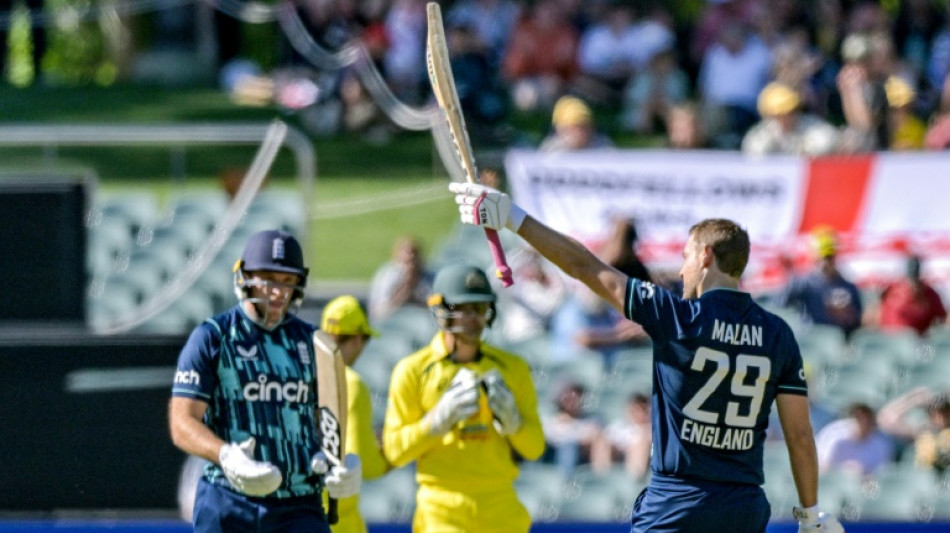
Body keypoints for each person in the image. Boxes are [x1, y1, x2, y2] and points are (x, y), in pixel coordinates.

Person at [448, 182, 844, 532]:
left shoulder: (678, 315)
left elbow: (587, 268)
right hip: (744, 507)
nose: (683, 268)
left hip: (678, 502)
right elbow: (799, 436)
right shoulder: (779, 334)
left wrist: (514, 218)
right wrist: (810, 515)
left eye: (687, 256)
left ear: (706, 256)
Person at [168, 229, 361, 533]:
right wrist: (227, 456)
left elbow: (325, 424)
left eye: (287, 281)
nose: (278, 292)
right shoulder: (212, 338)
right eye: (268, 279)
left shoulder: (315, 344)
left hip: (299, 504)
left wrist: (340, 466)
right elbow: (181, 424)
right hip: (228, 500)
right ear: (244, 276)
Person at [382, 263, 545, 533]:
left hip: (501, 505)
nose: (473, 318)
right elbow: (395, 452)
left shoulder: (512, 367)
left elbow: (535, 447)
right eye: (463, 308)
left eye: (479, 309)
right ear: (441, 309)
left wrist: (514, 423)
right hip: (441, 510)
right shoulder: (412, 370)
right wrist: (434, 423)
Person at [320, 295, 393, 533]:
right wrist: (393, 447)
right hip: (339, 518)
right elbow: (366, 465)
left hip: (298, 515)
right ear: (356, 339)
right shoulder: (351, 383)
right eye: (364, 339)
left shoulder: (298, 375)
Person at [773, 227, 863, 338]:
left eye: (830, 257)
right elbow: (780, 302)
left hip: (837, 340)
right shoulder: (803, 284)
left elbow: (856, 321)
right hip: (811, 338)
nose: (826, 263)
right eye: (823, 258)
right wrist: (790, 275)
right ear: (814, 258)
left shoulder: (848, 287)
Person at [741, 82, 840, 157]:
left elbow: (827, 142)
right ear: (768, 116)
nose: (787, 117)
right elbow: (754, 155)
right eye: (779, 114)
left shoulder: (811, 126)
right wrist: (775, 140)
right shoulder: (759, 135)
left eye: (791, 111)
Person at [864, 254, 947, 336]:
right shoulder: (891, 289)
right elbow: (871, 317)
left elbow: (942, 318)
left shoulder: (929, 293)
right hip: (889, 341)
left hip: (918, 343)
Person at [541, 381, 608, 479]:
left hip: (581, 457)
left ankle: (597, 479)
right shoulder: (551, 420)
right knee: (567, 448)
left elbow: (595, 435)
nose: (571, 400)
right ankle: (563, 481)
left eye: (575, 396)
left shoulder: (590, 420)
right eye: (567, 396)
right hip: (552, 455)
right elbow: (549, 437)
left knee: (570, 447)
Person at [877, 387, 950, 474]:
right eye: (933, 412)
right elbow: (885, 419)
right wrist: (916, 399)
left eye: (944, 412)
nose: (938, 416)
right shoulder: (924, 433)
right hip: (923, 477)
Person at [815, 403, 894, 478]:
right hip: (832, 482)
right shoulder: (834, 434)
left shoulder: (881, 446)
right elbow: (820, 468)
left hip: (862, 486)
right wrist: (844, 470)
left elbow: (879, 480)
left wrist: (860, 475)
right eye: (858, 416)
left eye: (867, 417)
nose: (862, 421)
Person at [368, 236, 433, 323]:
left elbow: (433, 309)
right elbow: (380, 313)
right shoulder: (387, 276)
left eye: (414, 254)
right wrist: (406, 288)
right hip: (392, 324)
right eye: (407, 260)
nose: (411, 258)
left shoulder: (428, 277)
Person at [594, 392, 652, 480]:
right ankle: (602, 479)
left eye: (643, 408)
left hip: (646, 459)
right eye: (636, 408)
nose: (640, 412)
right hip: (621, 456)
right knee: (602, 441)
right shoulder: (621, 426)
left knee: (640, 444)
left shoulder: (653, 427)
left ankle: (635, 480)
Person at [539, 95, 613, 152]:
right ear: (561, 129)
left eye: (585, 126)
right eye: (576, 127)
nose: (581, 132)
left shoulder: (603, 147)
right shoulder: (552, 151)